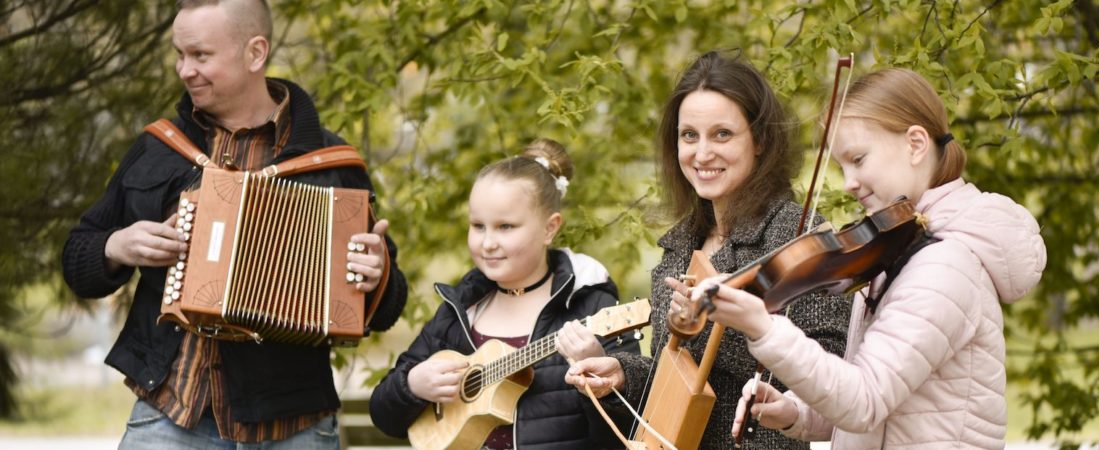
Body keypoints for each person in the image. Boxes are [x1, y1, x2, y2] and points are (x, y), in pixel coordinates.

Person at [60, 1, 408, 448]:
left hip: (293, 425)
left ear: (255, 53)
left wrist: (378, 278)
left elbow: (387, 307)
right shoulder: (161, 146)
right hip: (170, 415)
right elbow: (76, 259)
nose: (185, 70)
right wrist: (115, 247)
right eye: (179, 54)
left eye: (200, 56)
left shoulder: (330, 162)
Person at [702, 68, 1047, 449]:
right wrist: (796, 412)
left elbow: (864, 402)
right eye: (841, 166)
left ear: (916, 144)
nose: (849, 181)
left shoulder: (945, 266)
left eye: (859, 158)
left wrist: (765, 330)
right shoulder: (899, 251)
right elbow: (881, 403)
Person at [563, 50, 851, 449]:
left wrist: (721, 319)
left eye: (722, 134)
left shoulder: (796, 236)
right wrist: (623, 374)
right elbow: (678, 377)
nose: (701, 154)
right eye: (689, 136)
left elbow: (830, 374)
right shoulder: (679, 247)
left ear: (761, 141)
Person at [369, 139, 641, 450]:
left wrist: (600, 378)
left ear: (550, 228)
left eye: (505, 227)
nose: (487, 243)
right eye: (478, 226)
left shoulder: (590, 306)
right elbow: (384, 415)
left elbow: (630, 429)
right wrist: (412, 385)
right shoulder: (462, 310)